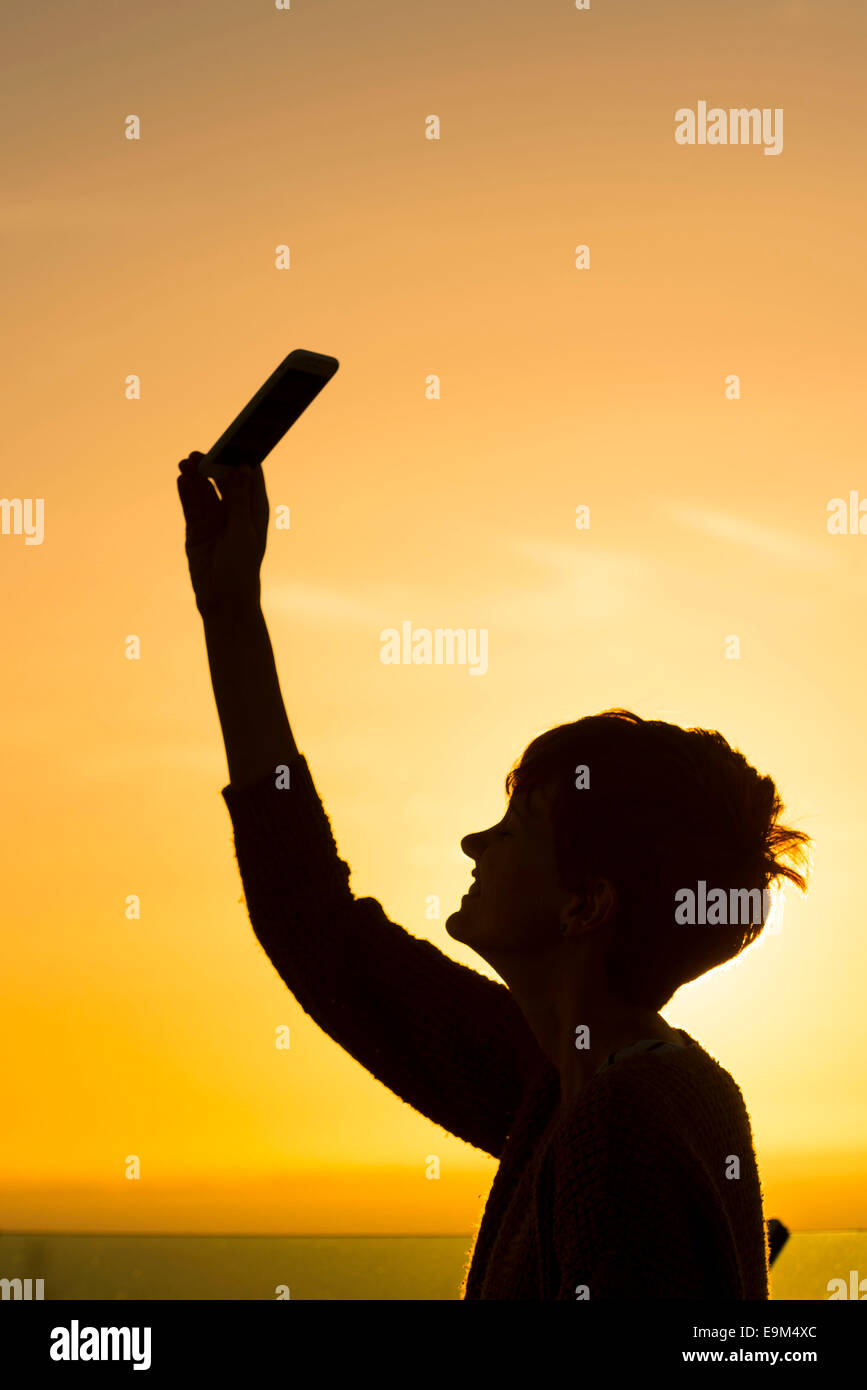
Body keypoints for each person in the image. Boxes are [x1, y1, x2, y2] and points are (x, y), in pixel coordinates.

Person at [177, 451, 811, 1300]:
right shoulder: (564, 1081)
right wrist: (230, 612)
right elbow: (318, 933)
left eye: (517, 827)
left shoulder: (617, 1127)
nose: (475, 844)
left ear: (585, 904)